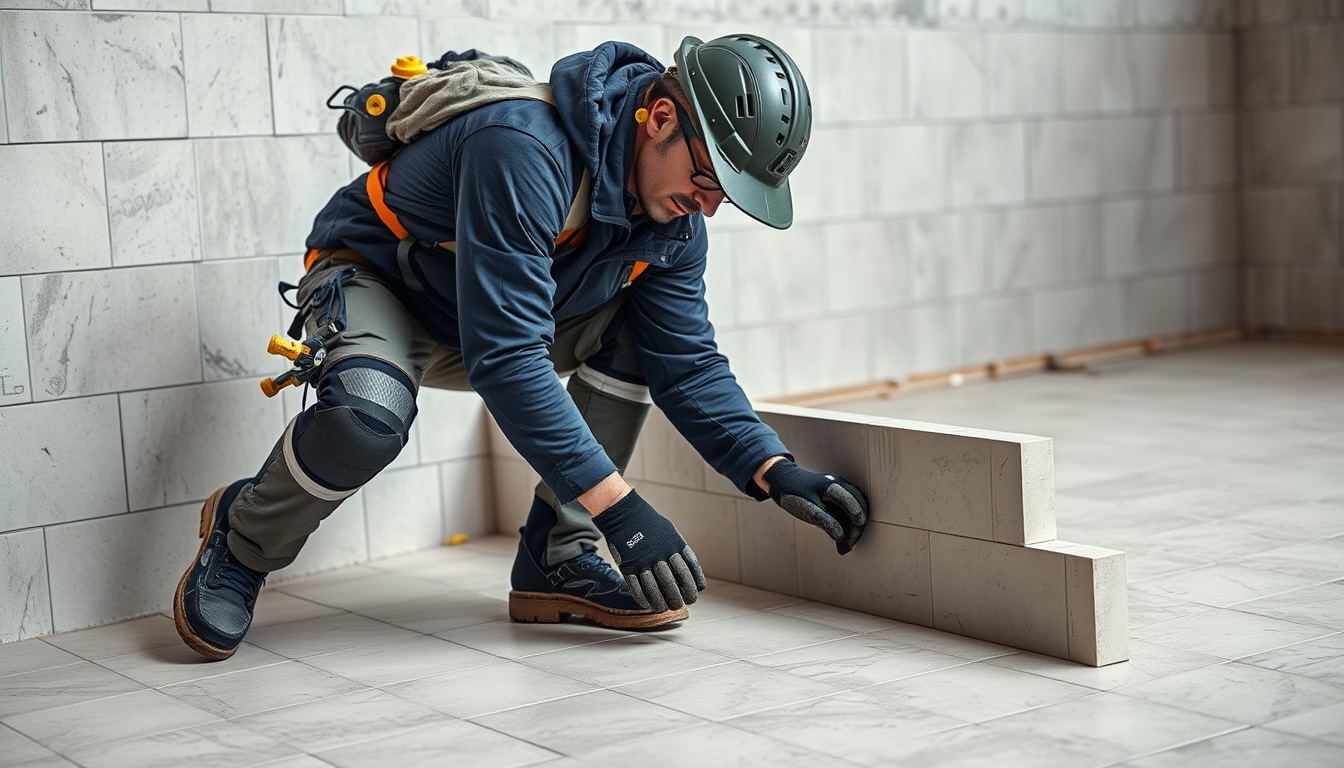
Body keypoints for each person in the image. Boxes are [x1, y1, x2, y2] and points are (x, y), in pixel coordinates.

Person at [174, 34, 870, 660]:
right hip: (382, 280)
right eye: (710, 179)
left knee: (640, 338)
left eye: (728, 195)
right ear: (660, 119)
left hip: (486, 316)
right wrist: (622, 512)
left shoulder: (672, 227)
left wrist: (774, 470)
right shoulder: (524, 146)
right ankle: (242, 539)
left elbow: (685, 362)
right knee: (369, 412)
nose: (711, 205)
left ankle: (554, 558)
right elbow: (507, 356)